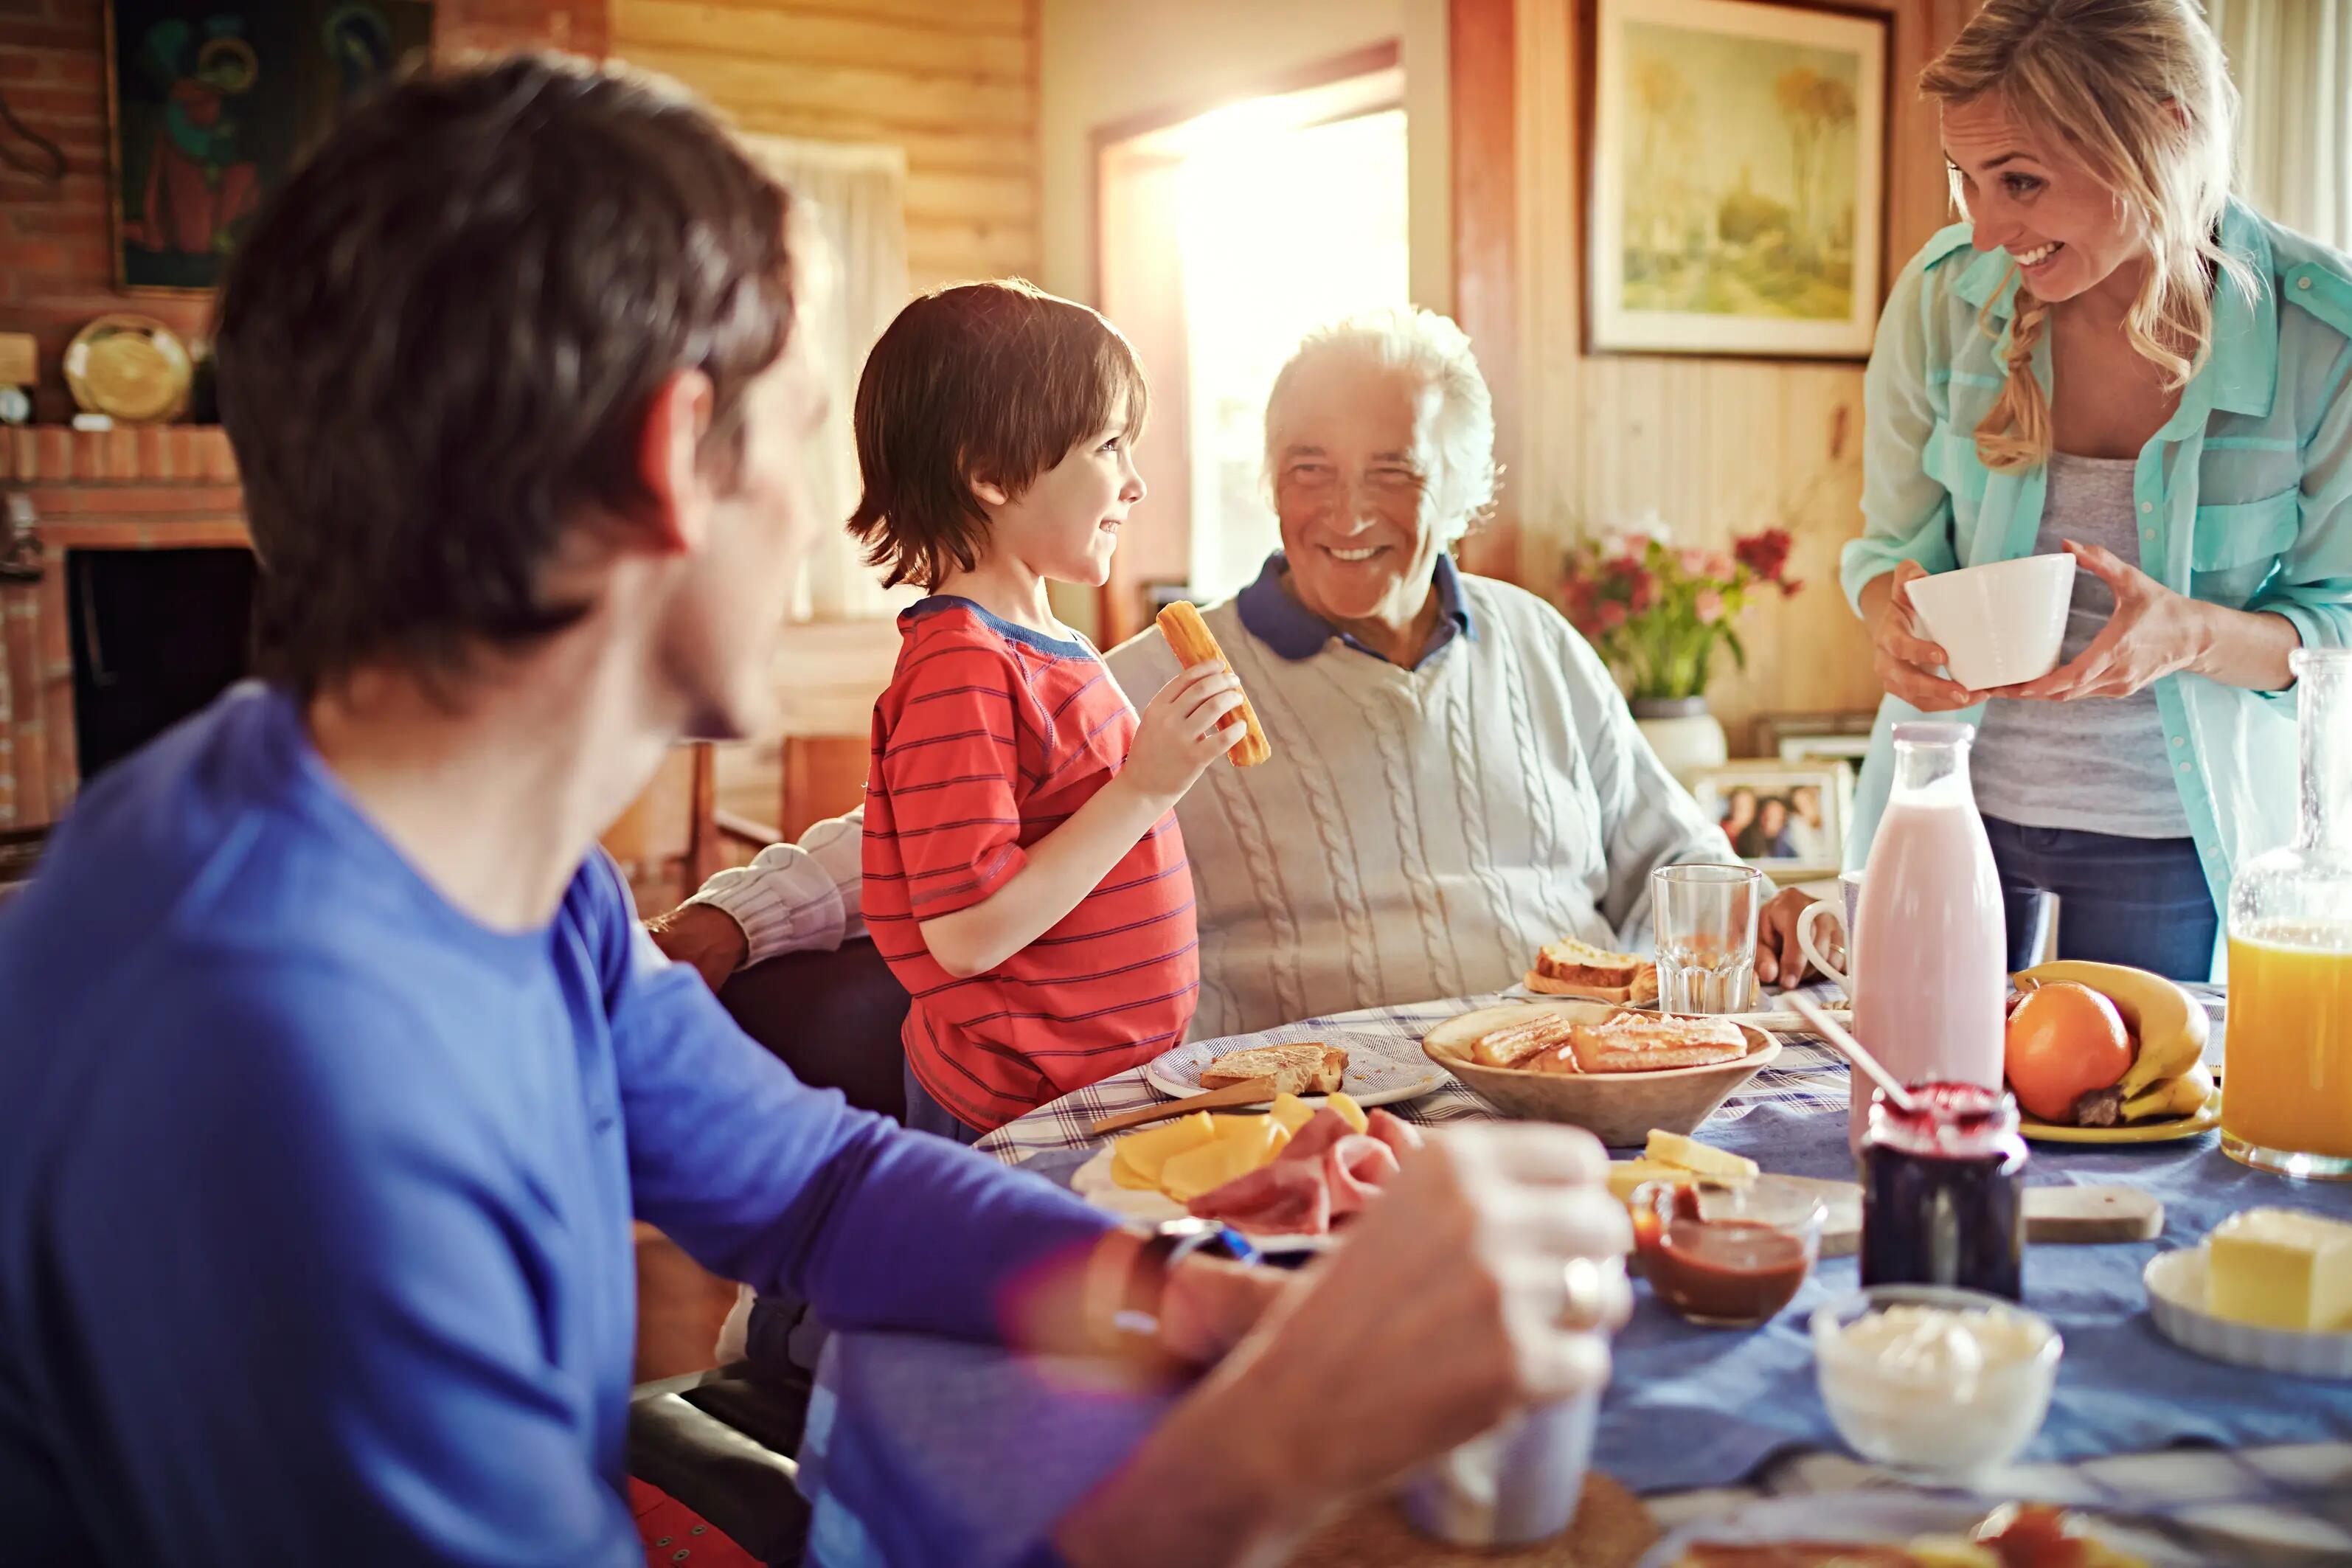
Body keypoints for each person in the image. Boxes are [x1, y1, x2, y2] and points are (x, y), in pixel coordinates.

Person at [0, 55, 1635, 1567]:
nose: (826, 504)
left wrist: (1194, 1294)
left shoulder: (506, 877)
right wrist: (1280, 1446)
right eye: (801, 426)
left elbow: (818, 1187)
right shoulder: (281, 1072)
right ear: (675, 459)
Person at [654, 308, 1828, 1020]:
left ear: (1463, 487)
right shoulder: (1163, 676)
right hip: (1334, 1122)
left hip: (1585, 1086)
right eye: (1308, 467)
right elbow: (911, 829)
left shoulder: (1541, 644)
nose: (1347, 510)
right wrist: (732, 920)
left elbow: (1668, 850)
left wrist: (1764, 902)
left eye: (1395, 471)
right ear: (1268, 480)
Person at [1842, 0, 2352, 981]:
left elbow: (2340, 626)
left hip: (2178, 859)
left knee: (2136, 1128)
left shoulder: (2319, 337)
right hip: (1948, 823)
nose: (1986, 229)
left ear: (2165, 131)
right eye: (1968, 181)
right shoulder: (1944, 301)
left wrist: (2191, 633)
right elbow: (1884, 547)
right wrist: (1888, 616)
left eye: (2020, 181)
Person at [842, 282, 1243, 1140]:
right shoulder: (962, 665)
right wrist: (1145, 789)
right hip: (1012, 1115)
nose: (1135, 484)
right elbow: (967, 934)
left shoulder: (1045, 640)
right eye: (1108, 445)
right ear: (988, 471)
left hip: (1103, 1091)